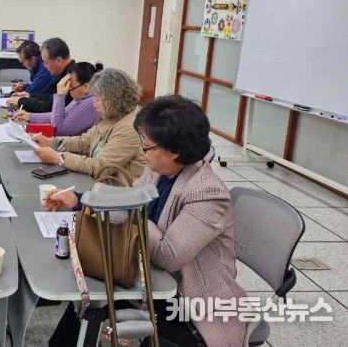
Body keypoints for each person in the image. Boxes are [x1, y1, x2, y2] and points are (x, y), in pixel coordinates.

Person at [46, 95, 247, 347]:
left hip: (189, 305)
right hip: (150, 277)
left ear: (174, 151)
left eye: (147, 145)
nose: (142, 151)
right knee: (87, 296)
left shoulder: (207, 193)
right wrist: (80, 200)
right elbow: (130, 199)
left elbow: (167, 255)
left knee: (96, 297)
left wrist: (134, 208)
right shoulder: (160, 170)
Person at [32, 68, 145, 185]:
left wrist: (59, 158)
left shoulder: (129, 128)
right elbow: (84, 142)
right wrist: (52, 142)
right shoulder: (112, 115)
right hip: (97, 184)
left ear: (113, 100)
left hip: (114, 191)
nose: (94, 104)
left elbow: (100, 167)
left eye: (98, 99)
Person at [13, 62, 102, 136]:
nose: (68, 90)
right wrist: (30, 117)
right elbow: (58, 116)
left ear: (85, 87)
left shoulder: (91, 102)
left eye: (71, 87)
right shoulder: (82, 97)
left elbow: (58, 129)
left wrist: (60, 95)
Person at [7, 37, 75, 113]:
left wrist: (20, 101)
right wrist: (29, 95)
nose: (44, 66)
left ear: (58, 60)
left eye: (46, 62)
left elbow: (49, 107)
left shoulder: (71, 79)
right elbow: (52, 98)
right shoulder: (67, 72)